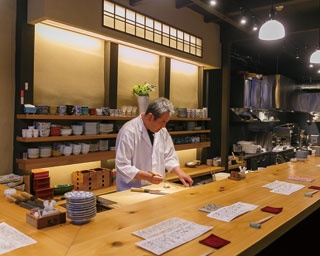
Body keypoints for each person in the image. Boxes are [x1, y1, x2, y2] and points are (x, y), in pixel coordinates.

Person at [115, 97, 193, 191]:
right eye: (162, 122)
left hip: (156, 188)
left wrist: (180, 172)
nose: (164, 126)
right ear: (150, 117)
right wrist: (147, 177)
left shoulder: (162, 130)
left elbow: (169, 156)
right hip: (131, 190)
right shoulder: (129, 131)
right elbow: (122, 165)